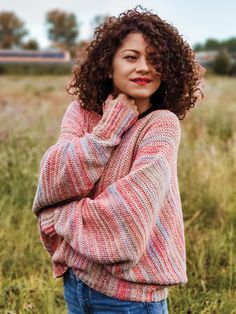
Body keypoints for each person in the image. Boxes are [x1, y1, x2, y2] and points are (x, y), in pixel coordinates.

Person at [32, 6, 205, 314]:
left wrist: (55, 218)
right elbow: (54, 178)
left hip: (130, 300)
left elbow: (126, 219)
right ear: (108, 65)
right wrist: (107, 130)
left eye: (155, 60)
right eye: (131, 57)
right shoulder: (81, 114)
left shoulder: (160, 124)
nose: (145, 68)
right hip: (77, 287)